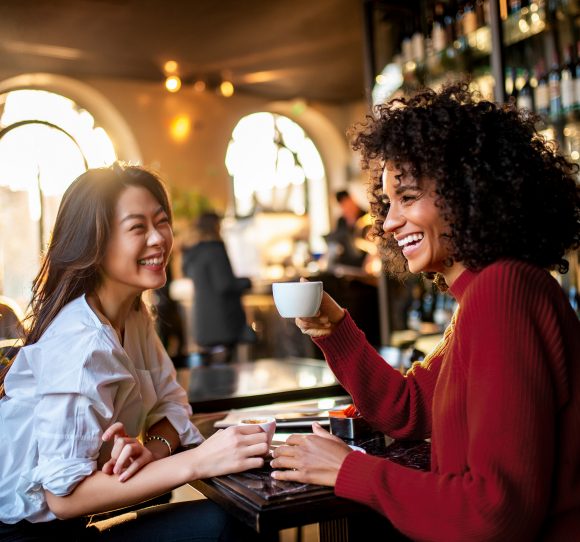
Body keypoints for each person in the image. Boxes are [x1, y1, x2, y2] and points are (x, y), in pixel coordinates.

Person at [270, 82, 580, 541]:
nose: (389, 222)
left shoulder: (503, 292)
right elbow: (409, 408)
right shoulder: (483, 296)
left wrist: (350, 470)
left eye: (408, 197)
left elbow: (495, 513)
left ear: (469, 192)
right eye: (388, 202)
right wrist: (333, 328)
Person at [0, 163, 267, 541]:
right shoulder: (82, 342)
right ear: (96, 242)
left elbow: (174, 407)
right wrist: (197, 461)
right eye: (137, 228)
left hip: (72, 528)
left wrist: (154, 451)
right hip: (24, 536)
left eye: (161, 222)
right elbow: (62, 497)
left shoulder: (134, 315)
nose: (159, 239)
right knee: (224, 523)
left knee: (231, 518)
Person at [181, 212, 254, 364]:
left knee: (212, 374)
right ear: (214, 227)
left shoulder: (192, 252)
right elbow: (225, 284)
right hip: (223, 322)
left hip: (202, 321)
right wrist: (247, 282)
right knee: (228, 376)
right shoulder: (215, 249)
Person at [325, 190, 367, 268]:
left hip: (363, 261)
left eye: (346, 204)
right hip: (345, 263)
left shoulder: (366, 217)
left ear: (352, 200)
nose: (345, 208)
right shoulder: (341, 221)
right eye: (342, 205)